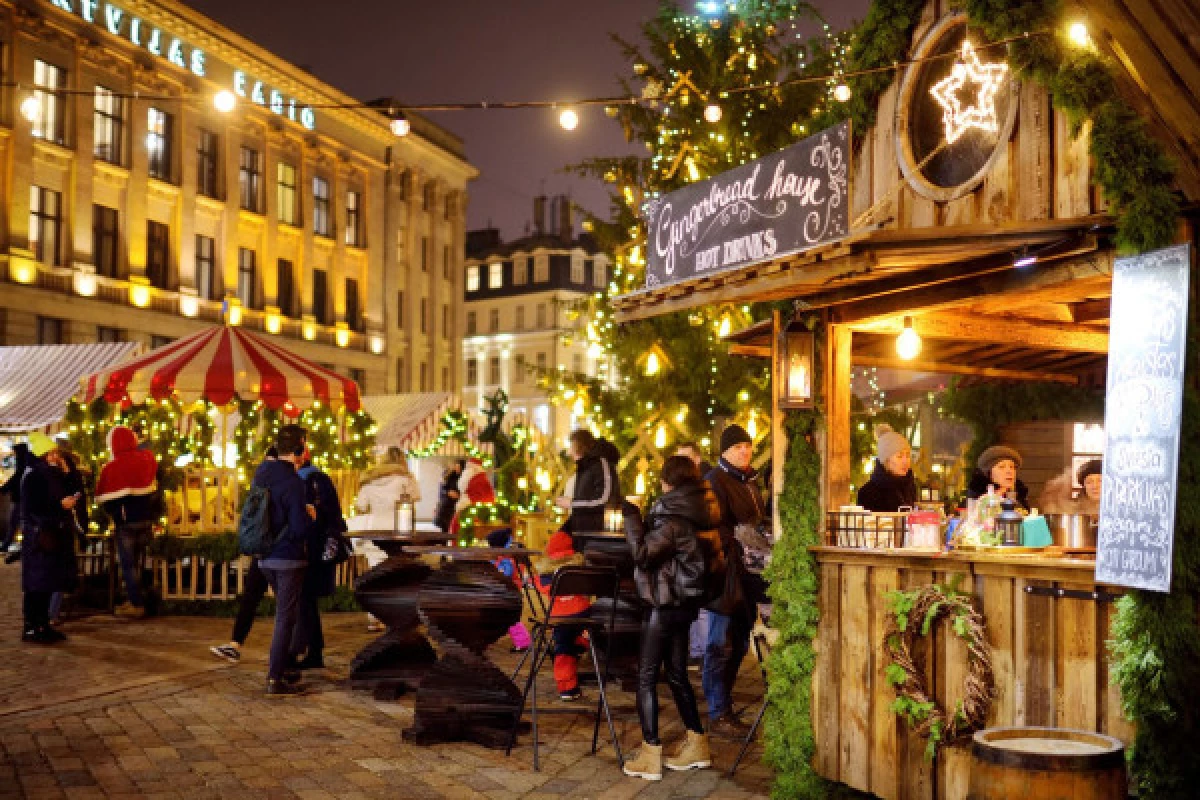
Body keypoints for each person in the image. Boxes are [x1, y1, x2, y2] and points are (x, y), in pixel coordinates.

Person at [620, 455, 717, 782]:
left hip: (663, 605)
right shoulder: (700, 512)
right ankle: (697, 744)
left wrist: (631, 515)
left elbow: (642, 554)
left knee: (646, 676)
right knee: (676, 673)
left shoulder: (673, 520)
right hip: (684, 604)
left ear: (667, 483)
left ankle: (650, 755)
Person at [702, 423, 764, 737]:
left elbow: (757, 520)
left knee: (739, 641)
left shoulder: (751, 481)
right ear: (725, 451)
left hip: (748, 573)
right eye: (738, 447)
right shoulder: (716, 481)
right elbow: (712, 526)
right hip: (724, 574)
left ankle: (723, 702)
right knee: (718, 642)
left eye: (748, 446)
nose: (745, 451)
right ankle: (717, 710)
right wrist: (738, 542)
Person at [253, 424, 312, 696]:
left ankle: (286, 667)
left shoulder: (261, 474)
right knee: (285, 618)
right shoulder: (293, 482)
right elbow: (299, 528)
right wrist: (310, 514)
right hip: (287, 556)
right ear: (299, 449)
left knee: (287, 613)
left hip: (264, 555)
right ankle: (275, 678)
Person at [210, 449, 278, 664]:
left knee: (288, 602)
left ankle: (296, 649)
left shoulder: (286, 483)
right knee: (251, 596)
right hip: (263, 549)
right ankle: (234, 644)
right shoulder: (263, 484)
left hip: (279, 551)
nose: (265, 469)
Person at [348, 448, 421, 631]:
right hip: (399, 530)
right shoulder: (406, 480)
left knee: (376, 574)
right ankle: (396, 615)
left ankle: (375, 616)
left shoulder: (370, 482)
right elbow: (415, 499)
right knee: (398, 575)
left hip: (374, 531)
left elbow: (361, 506)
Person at [95, 425, 159, 619]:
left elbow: (107, 499)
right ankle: (137, 599)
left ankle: (136, 603)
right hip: (145, 520)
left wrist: (114, 514)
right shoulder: (145, 460)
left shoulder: (113, 467)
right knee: (139, 563)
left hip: (126, 523)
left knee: (128, 566)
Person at [20, 434, 78, 644]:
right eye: (51, 453)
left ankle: (43, 624)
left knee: (47, 582)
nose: (55, 456)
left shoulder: (54, 475)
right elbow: (33, 509)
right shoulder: (34, 477)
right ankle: (32, 626)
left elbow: (73, 488)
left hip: (52, 534)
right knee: (37, 584)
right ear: (42, 456)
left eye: (56, 453)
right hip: (40, 537)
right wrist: (59, 507)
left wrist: (68, 472)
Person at [293, 448, 347, 670]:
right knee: (307, 601)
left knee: (305, 599)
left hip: (312, 548)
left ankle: (301, 651)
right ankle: (314, 651)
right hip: (316, 548)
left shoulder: (309, 480)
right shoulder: (317, 478)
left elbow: (321, 516)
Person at [530, 529, 590, 701]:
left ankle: (567, 689)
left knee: (563, 649)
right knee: (590, 629)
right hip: (584, 615)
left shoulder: (547, 575)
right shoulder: (580, 569)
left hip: (560, 619)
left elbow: (539, 587)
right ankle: (583, 640)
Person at [48, 446, 89, 625]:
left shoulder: (70, 475)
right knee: (53, 571)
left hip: (64, 528)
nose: (54, 457)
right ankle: (50, 612)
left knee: (58, 571)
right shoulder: (46, 474)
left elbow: (78, 494)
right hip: (52, 528)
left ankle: (52, 612)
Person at [555, 430, 620, 534]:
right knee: (555, 545)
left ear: (579, 446)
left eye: (571, 447)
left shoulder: (601, 464)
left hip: (596, 533)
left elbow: (604, 499)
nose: (568, 452)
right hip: (580, 531)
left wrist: (572, 503)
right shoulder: (584, 468)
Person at [486, 528, 532, 653]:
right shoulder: (500, 558)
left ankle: (523, 642)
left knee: (511, 620)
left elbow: (507, 574)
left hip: (507, 595)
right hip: (502, 594)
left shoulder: (506, 560)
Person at [856, 423, 918, 513]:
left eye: (908, 455)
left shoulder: (909, 486)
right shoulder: (868, 493)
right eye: (899, 456)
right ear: (886, 461)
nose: (905, 461)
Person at [966, 445, 1030, 511]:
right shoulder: (977, 497)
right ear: (989, 473)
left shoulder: (1020, 495)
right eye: (1001, 467)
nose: (1009, 471)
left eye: (1012, 467)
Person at [2, 442, 31, 561]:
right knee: (17, 523)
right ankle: (9, 544)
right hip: (22, 498)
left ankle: (8, 544)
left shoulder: (22, 465)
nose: (14, 454)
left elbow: (16, 478)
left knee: (16, 522)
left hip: (20, 499)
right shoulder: (26, 463)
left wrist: (4, 488)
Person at [433, 459, 465, 533]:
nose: (457, 469)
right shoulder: (449, 475)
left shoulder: (464, 478)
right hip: (446, 506)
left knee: (455, 528)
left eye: (459, 467)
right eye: (456, 467)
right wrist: (448, 492)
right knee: (445, 529)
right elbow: (441, 489)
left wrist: (460, 495)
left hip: (457, 506)